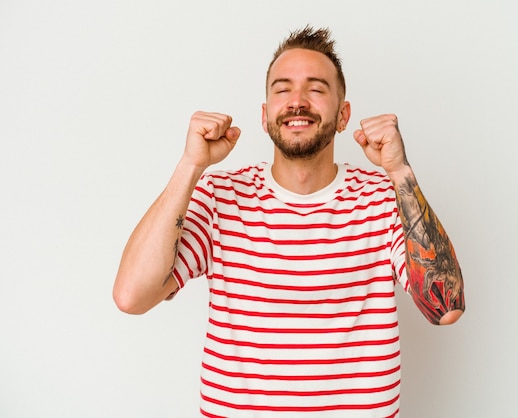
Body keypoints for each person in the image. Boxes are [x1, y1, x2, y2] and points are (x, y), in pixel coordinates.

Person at [114, 26, 465, 417]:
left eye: (316, 88)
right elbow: (132, 296)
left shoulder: (381, 197)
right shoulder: (221, 196)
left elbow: (445, 307)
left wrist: (400, 171)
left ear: (343, 114)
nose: (297, 101)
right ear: (265, 117)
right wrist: (190, 166)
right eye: (282, 89)